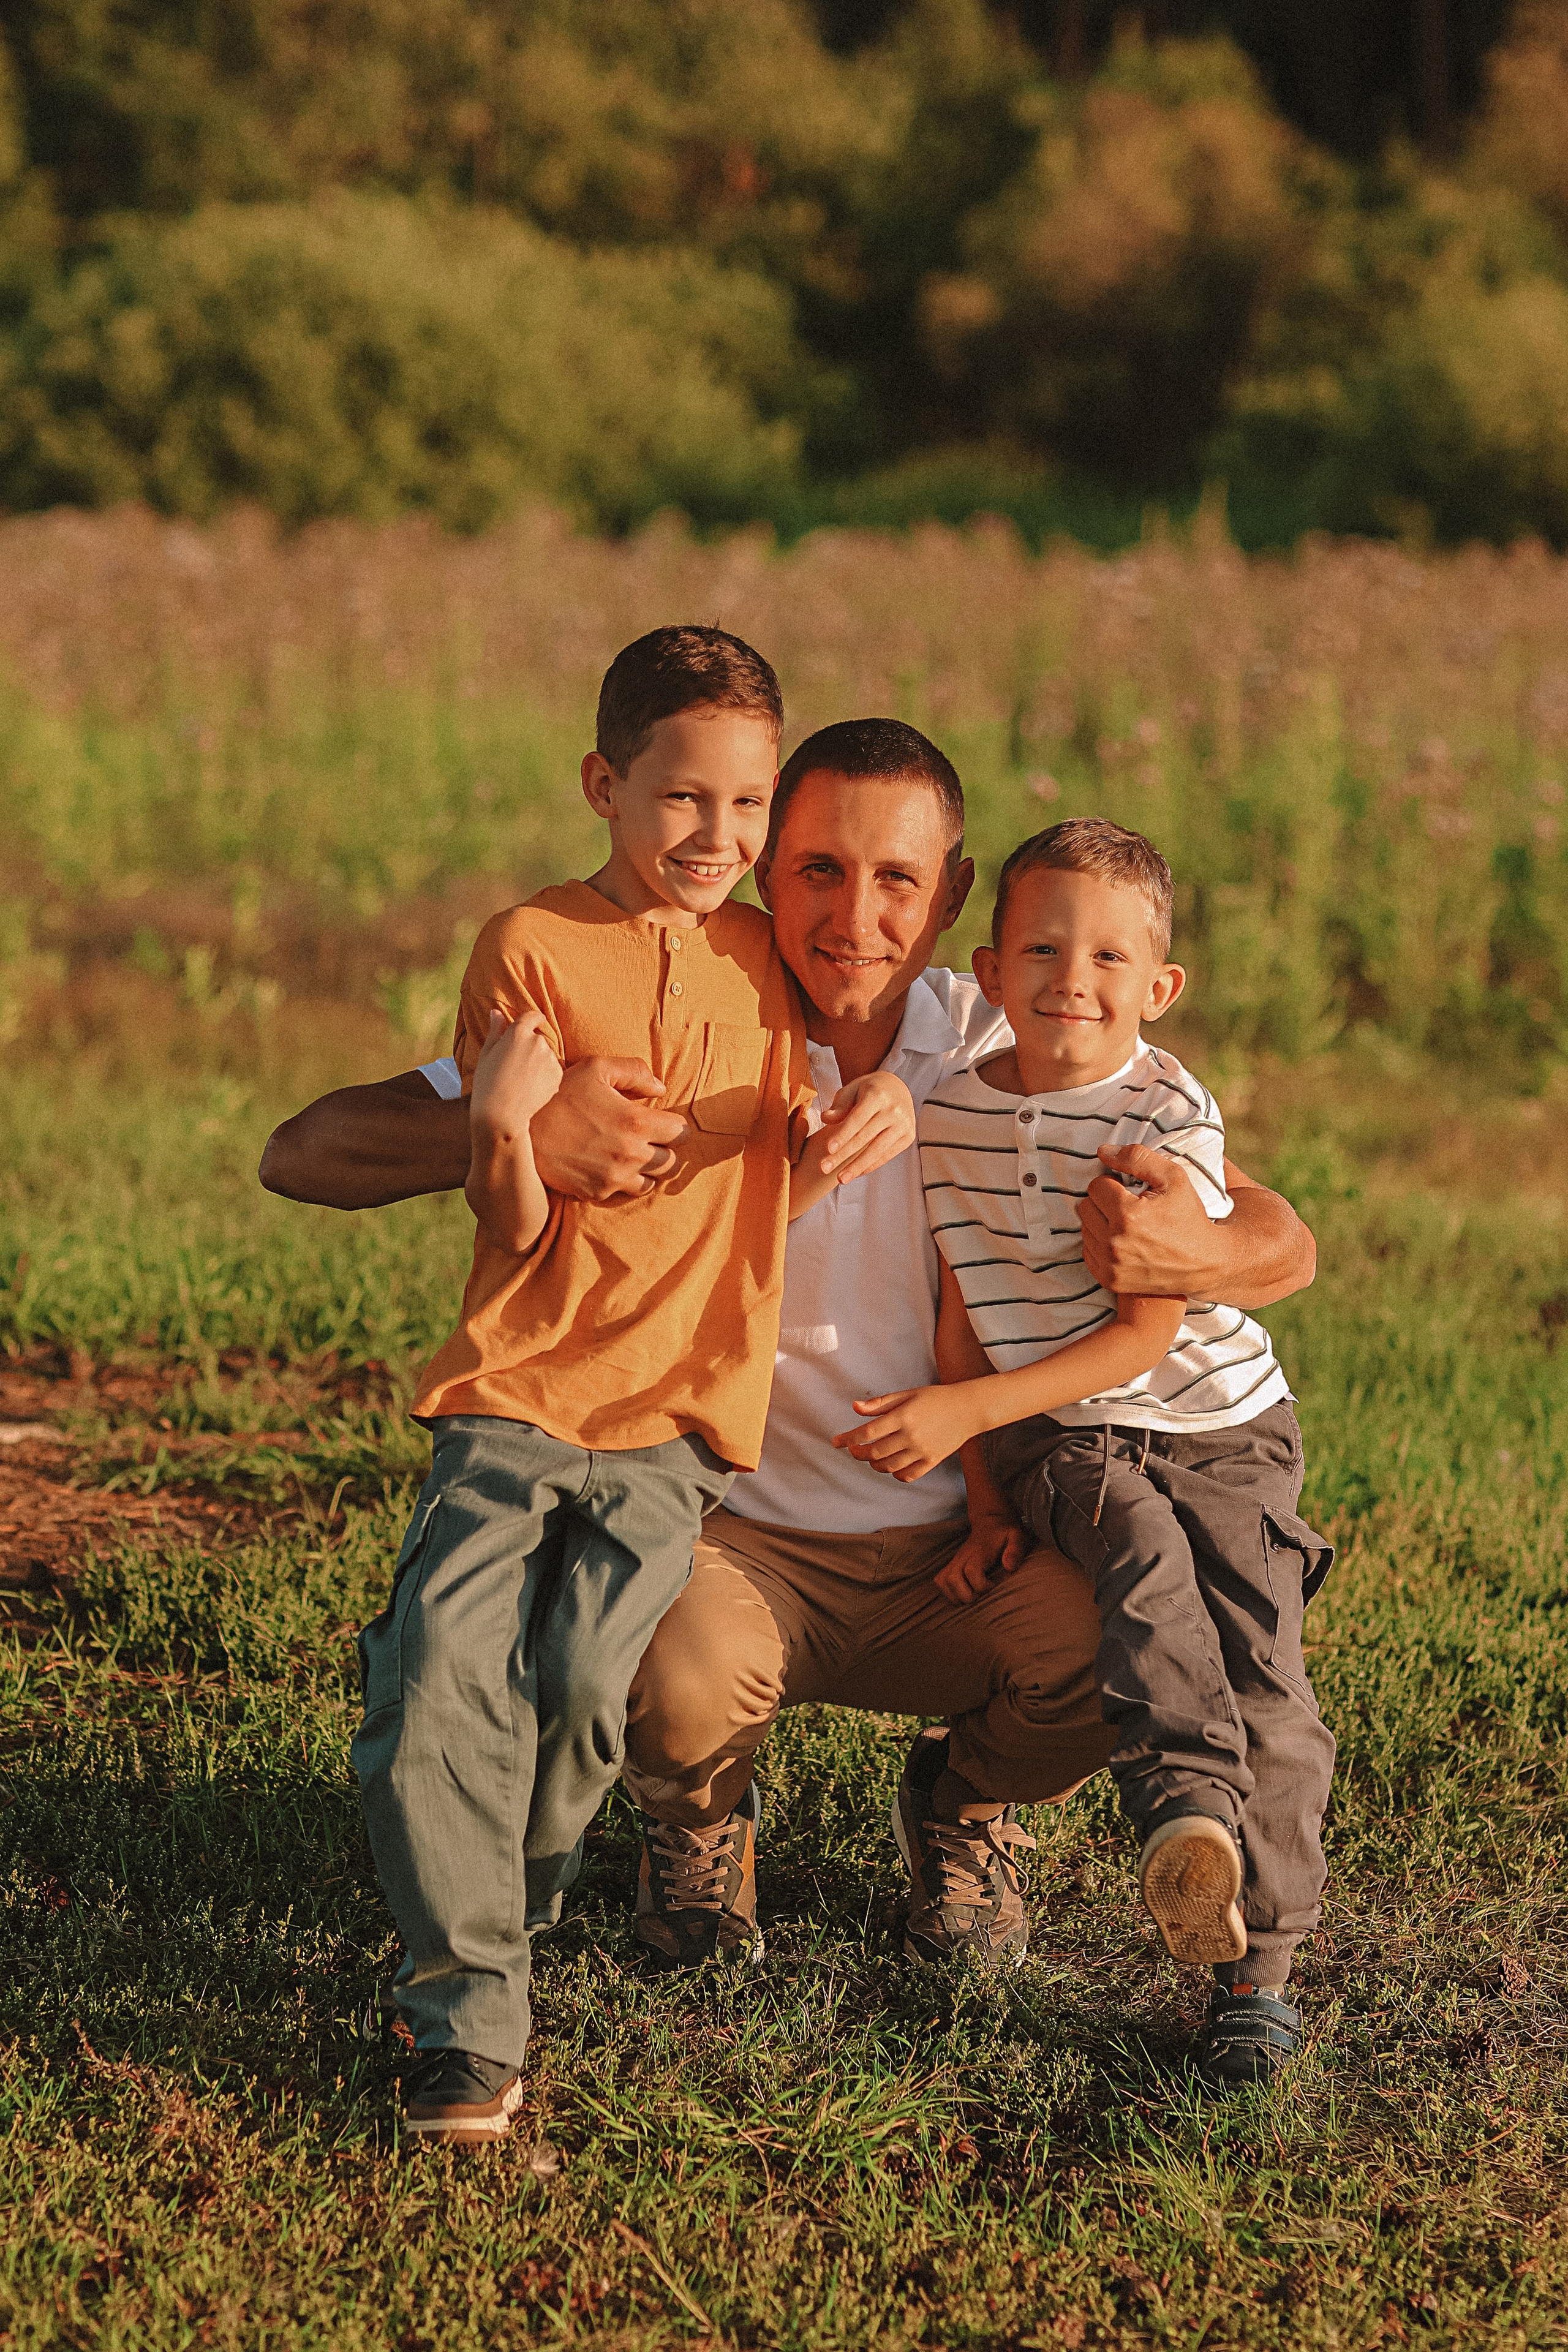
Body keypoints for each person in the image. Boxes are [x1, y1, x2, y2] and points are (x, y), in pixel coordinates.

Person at [264, 731, 1317, 2011]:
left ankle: (960, 1804)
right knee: (663, 1664)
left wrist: (1204, 1247)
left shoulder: (1009, 1035)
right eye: (817, 869)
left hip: (959, 1541)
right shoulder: (687, 1011)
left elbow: (1267, 1228)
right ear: (765, 869)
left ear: (954, 893)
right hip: (740, 1536)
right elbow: (304, 1151)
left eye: (898, 879)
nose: (855, 918)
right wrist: (519, 1124)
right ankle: (697, 1824)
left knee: (1123, 1645)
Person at [344, 627, 912, 2145]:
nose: (716, 838)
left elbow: (772, 1182)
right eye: (679, 799)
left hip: (677, 1421)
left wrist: (845, 1134)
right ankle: (464, 2023)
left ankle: (496, 1912)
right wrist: (503, 1136)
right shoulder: (527, 945)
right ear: (604, 784)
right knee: (446, 1680)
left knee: (586, 1692)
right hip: (519, 1390)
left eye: (746, 807)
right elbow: (512, 1219)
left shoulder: (772, 961)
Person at [839, 817, 1334, 2091]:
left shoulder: (1158, 1112)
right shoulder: (945, 1121)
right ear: (989, 972)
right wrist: (983, 1492)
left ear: (1156, 987)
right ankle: (1181, 1813)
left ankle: (1252, 1976)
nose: (1074, 976)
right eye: (1044, 947)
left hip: (1219, 1425)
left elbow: (1143, 1332)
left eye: (1110, 955)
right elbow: (960, 1310)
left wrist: (959, 1418)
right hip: (1070, 1440)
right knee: (1140, 1568)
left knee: (1262, 1673)